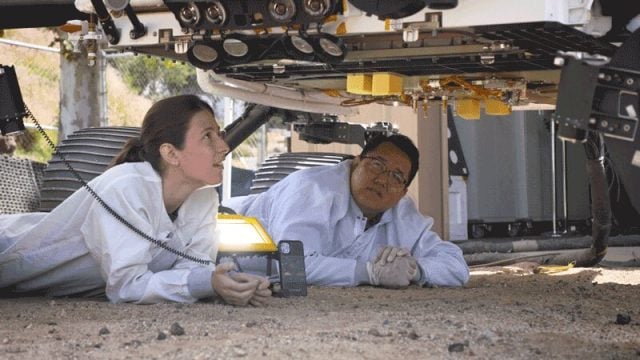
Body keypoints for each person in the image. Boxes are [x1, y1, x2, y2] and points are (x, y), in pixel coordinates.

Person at [0, 95, 271, 305]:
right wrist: (205, 283)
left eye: (219, 134)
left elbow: (194, 269)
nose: (224, 147)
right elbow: (127, 287)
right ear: (171, 154)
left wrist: (227, 282)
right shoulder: (126, 187)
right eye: (207, 137)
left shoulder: (203, 198)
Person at [223, 134, 469, 288]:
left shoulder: (402, 212)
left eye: (396, 176)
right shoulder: (314, 190)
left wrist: (416, 270)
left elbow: (457, 266)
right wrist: (370, 273)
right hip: (218, 236)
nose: (383, 180)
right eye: (376, 165)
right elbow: (293, 266)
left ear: (403, 191)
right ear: (355, 162)